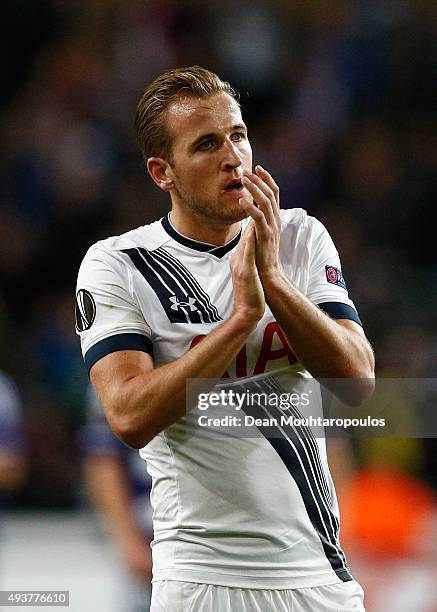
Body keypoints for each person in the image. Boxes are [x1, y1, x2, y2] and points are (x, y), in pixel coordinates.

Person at [75, 66, 375, 611]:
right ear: (161, 171)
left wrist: (276, 283)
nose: (233, 156)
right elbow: (127, 416)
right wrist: (239, 321)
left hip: (319, 576)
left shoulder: (300, 236)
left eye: (238, 135)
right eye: (207, 144)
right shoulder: (119, 265)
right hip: (201, 580)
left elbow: (356, 382)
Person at [79, 385, 153, 611]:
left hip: (239, 537)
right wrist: (127, 539)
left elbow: (263, 433)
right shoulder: (129, 358)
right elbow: (102, 456)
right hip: (154, 535)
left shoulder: (250, 362)